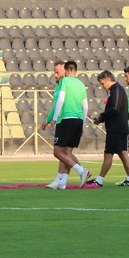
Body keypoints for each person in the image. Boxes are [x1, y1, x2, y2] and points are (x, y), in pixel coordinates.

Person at [41, 60, 91, 189]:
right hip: (78, 120)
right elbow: (85, 107)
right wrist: (83, 124)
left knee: (58, 152)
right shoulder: (80, 84)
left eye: (57, 72)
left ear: (66, 70)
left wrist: (55, 119)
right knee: (67, 153)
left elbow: (61, 100)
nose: (55, 75)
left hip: (66, 119)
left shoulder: (64, 82)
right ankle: (61, 182)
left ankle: (82, 171)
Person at [86, 71, 129, 187]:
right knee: (122, 153)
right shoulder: (116, 90)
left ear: (108, 80)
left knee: (108, 154)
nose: (102, 86)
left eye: (103, 83)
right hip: (120, 127)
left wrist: (101, 117)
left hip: (116, 128)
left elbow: (114, 109)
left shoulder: (116, 90)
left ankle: (99, 180)